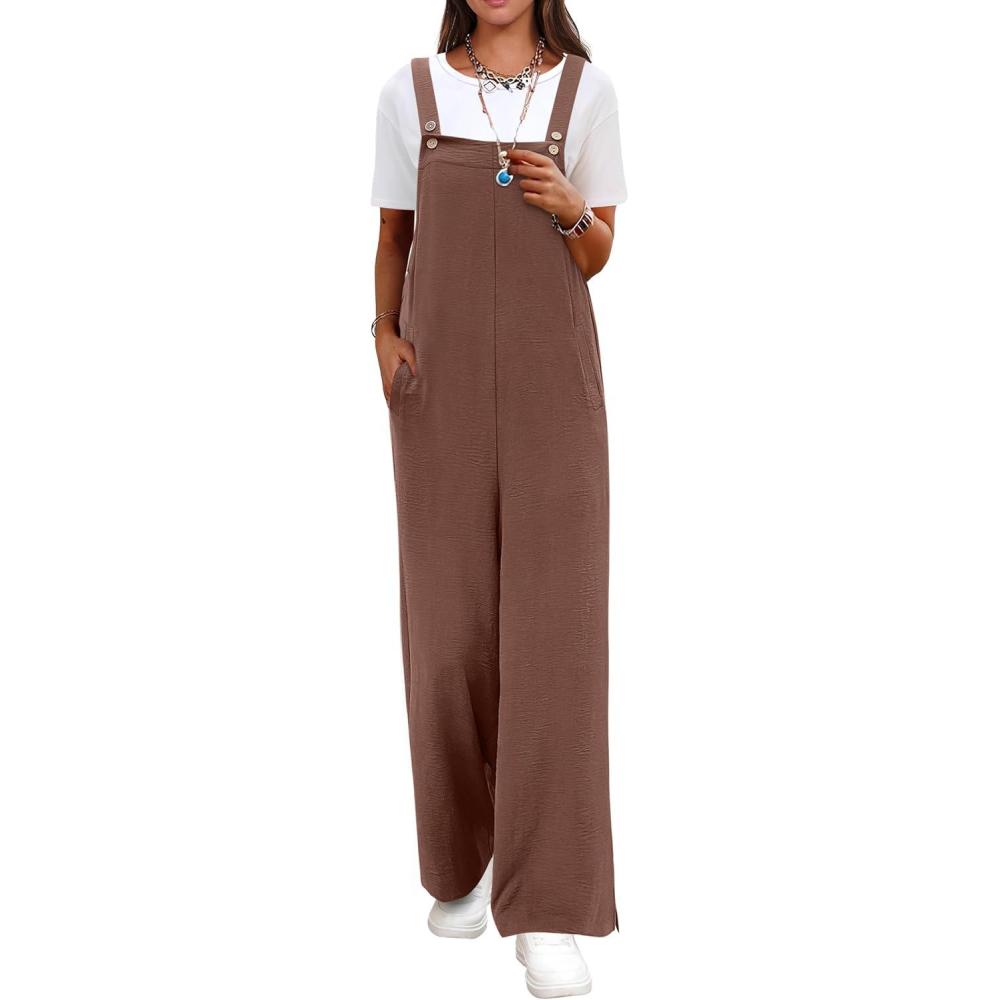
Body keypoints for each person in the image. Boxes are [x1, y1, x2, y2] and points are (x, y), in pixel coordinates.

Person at [370, 1, 626, 995]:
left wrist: (569, 206)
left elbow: (597, 254)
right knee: (447, 637)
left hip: (553, 391)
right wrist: (381, 337)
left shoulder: (586, 92)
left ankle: (548, 907)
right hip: (437, 395)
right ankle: (464, 860)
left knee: (555, 640)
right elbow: (394, 235)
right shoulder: (412, 92)